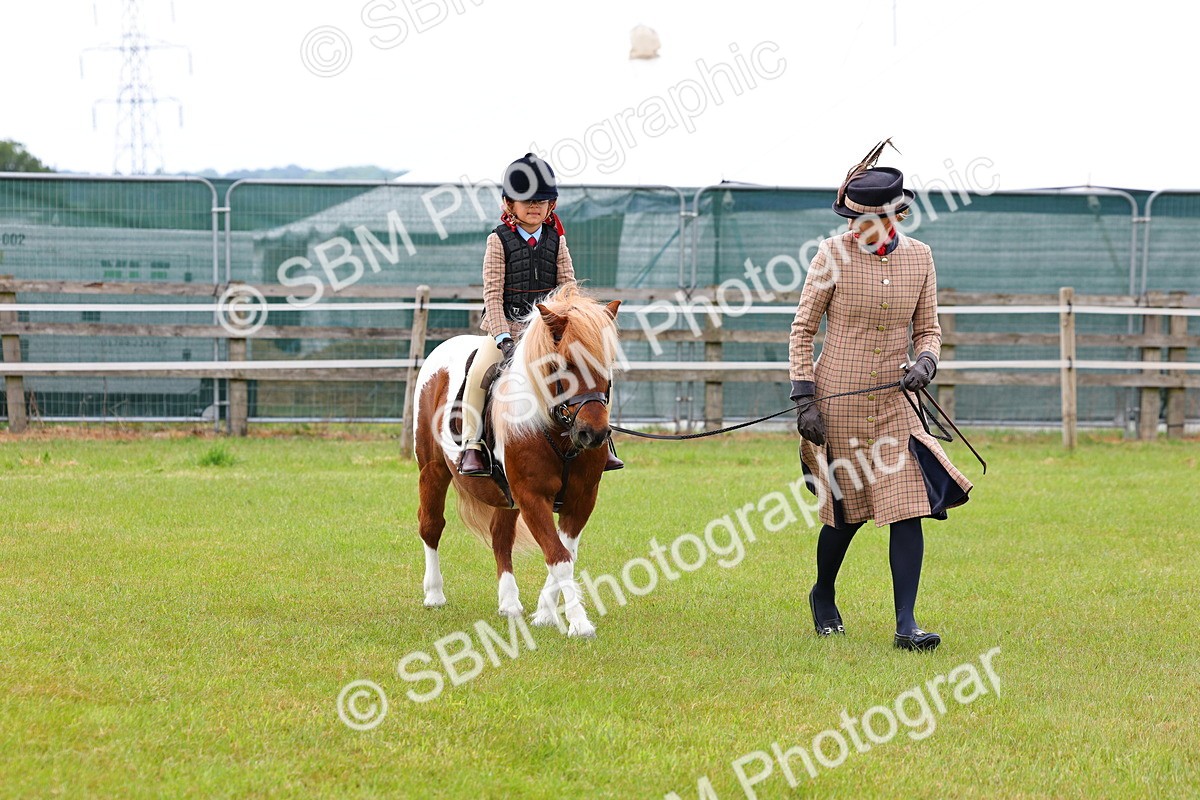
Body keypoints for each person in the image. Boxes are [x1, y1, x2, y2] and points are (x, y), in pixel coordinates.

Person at [788, 140, 973, 652]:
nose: (855, 228)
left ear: (895, 217)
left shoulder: (921, 259)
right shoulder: (831, 255)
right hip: (838, 401)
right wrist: (805, 398)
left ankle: (906, 624)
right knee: (845, 514)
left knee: (908, 505)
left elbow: (929, 329)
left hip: (896, 403)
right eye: (852, 219)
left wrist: (927, 363)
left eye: (865, 219)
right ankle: (823, 595)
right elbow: (802, 330)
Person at [457, 153, 624, 476]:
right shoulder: (498, 240)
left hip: (551, 333)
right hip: (507, 329)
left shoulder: (556, 239)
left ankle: (603, 443)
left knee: (596, 372)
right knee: (478, 373)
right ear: (509, 204)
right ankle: (472, 445)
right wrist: (502, 337)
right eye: (526, 201)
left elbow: (568, 287)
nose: (534, 207)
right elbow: (492, 294)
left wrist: (577, 325)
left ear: (551, 205)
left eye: (541, 201)